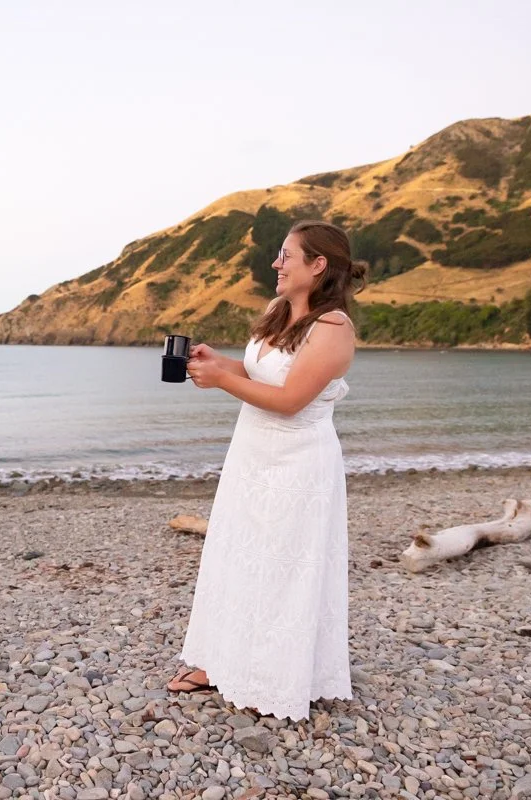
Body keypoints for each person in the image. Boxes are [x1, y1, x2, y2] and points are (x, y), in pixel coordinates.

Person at [168, 220, 367, 721]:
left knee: (282, 567)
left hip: (298, 463)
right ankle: (218, 662)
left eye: (286, 256)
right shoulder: (279, 312)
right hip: (251, 456)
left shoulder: (334, 327)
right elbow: (264, 374)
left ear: (318, 265)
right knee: (236, 556)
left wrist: (219, 382)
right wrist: (223, 363)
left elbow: (291, 400)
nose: (275, 264)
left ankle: (275, 678)